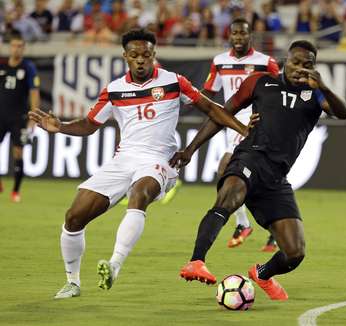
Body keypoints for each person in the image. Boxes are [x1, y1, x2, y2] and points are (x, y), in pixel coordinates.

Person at [28, 28, 253, 299]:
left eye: (146, 54)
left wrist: (242, 129)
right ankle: (72, 282)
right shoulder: (114, 90)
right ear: (125, 56)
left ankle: (114, 266)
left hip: (160, 161)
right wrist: (61, 126)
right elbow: (90, 125)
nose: (141, 60)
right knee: (74, 217)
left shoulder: (173, 82)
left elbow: (213, 109)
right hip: (123, 160)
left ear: (153, 55)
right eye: (134, 55)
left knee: (139, 194)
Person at [171, 40, 346, 300]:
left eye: (307, 64)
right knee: (229, 197)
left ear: (314, 68)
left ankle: (262, 273)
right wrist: (190, 149)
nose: (300, 68)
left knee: (295, 252)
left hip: (276, 179)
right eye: (296, 62)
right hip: (250, 158)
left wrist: (322, 86)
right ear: (285, 61)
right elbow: (222, 113)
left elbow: (343, 113)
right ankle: (196, 261)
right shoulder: (260, 82)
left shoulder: (315, 95)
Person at [201, 17, 279, 252]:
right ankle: (265, 227)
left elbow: (279, 91)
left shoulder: (266, 62)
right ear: (229, 35)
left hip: (255, 122)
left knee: (226, 168)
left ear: (250, 36)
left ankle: (245, 224)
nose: (238, 37)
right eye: (234, 33)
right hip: (231, 121)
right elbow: (209, 92)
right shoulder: (220, 61)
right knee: (250, 178)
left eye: (242, 33)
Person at [0, 31, 40, 202]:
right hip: (1, 115)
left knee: (18, 151)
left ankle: (15, 191)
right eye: (14, 45)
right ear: (10, 47)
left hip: (19, 117)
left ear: (23, 48)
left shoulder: (28, 68)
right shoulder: (1, 65)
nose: (17, 49)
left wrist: (33, 116)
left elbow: (34, 93)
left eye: (20, 46)